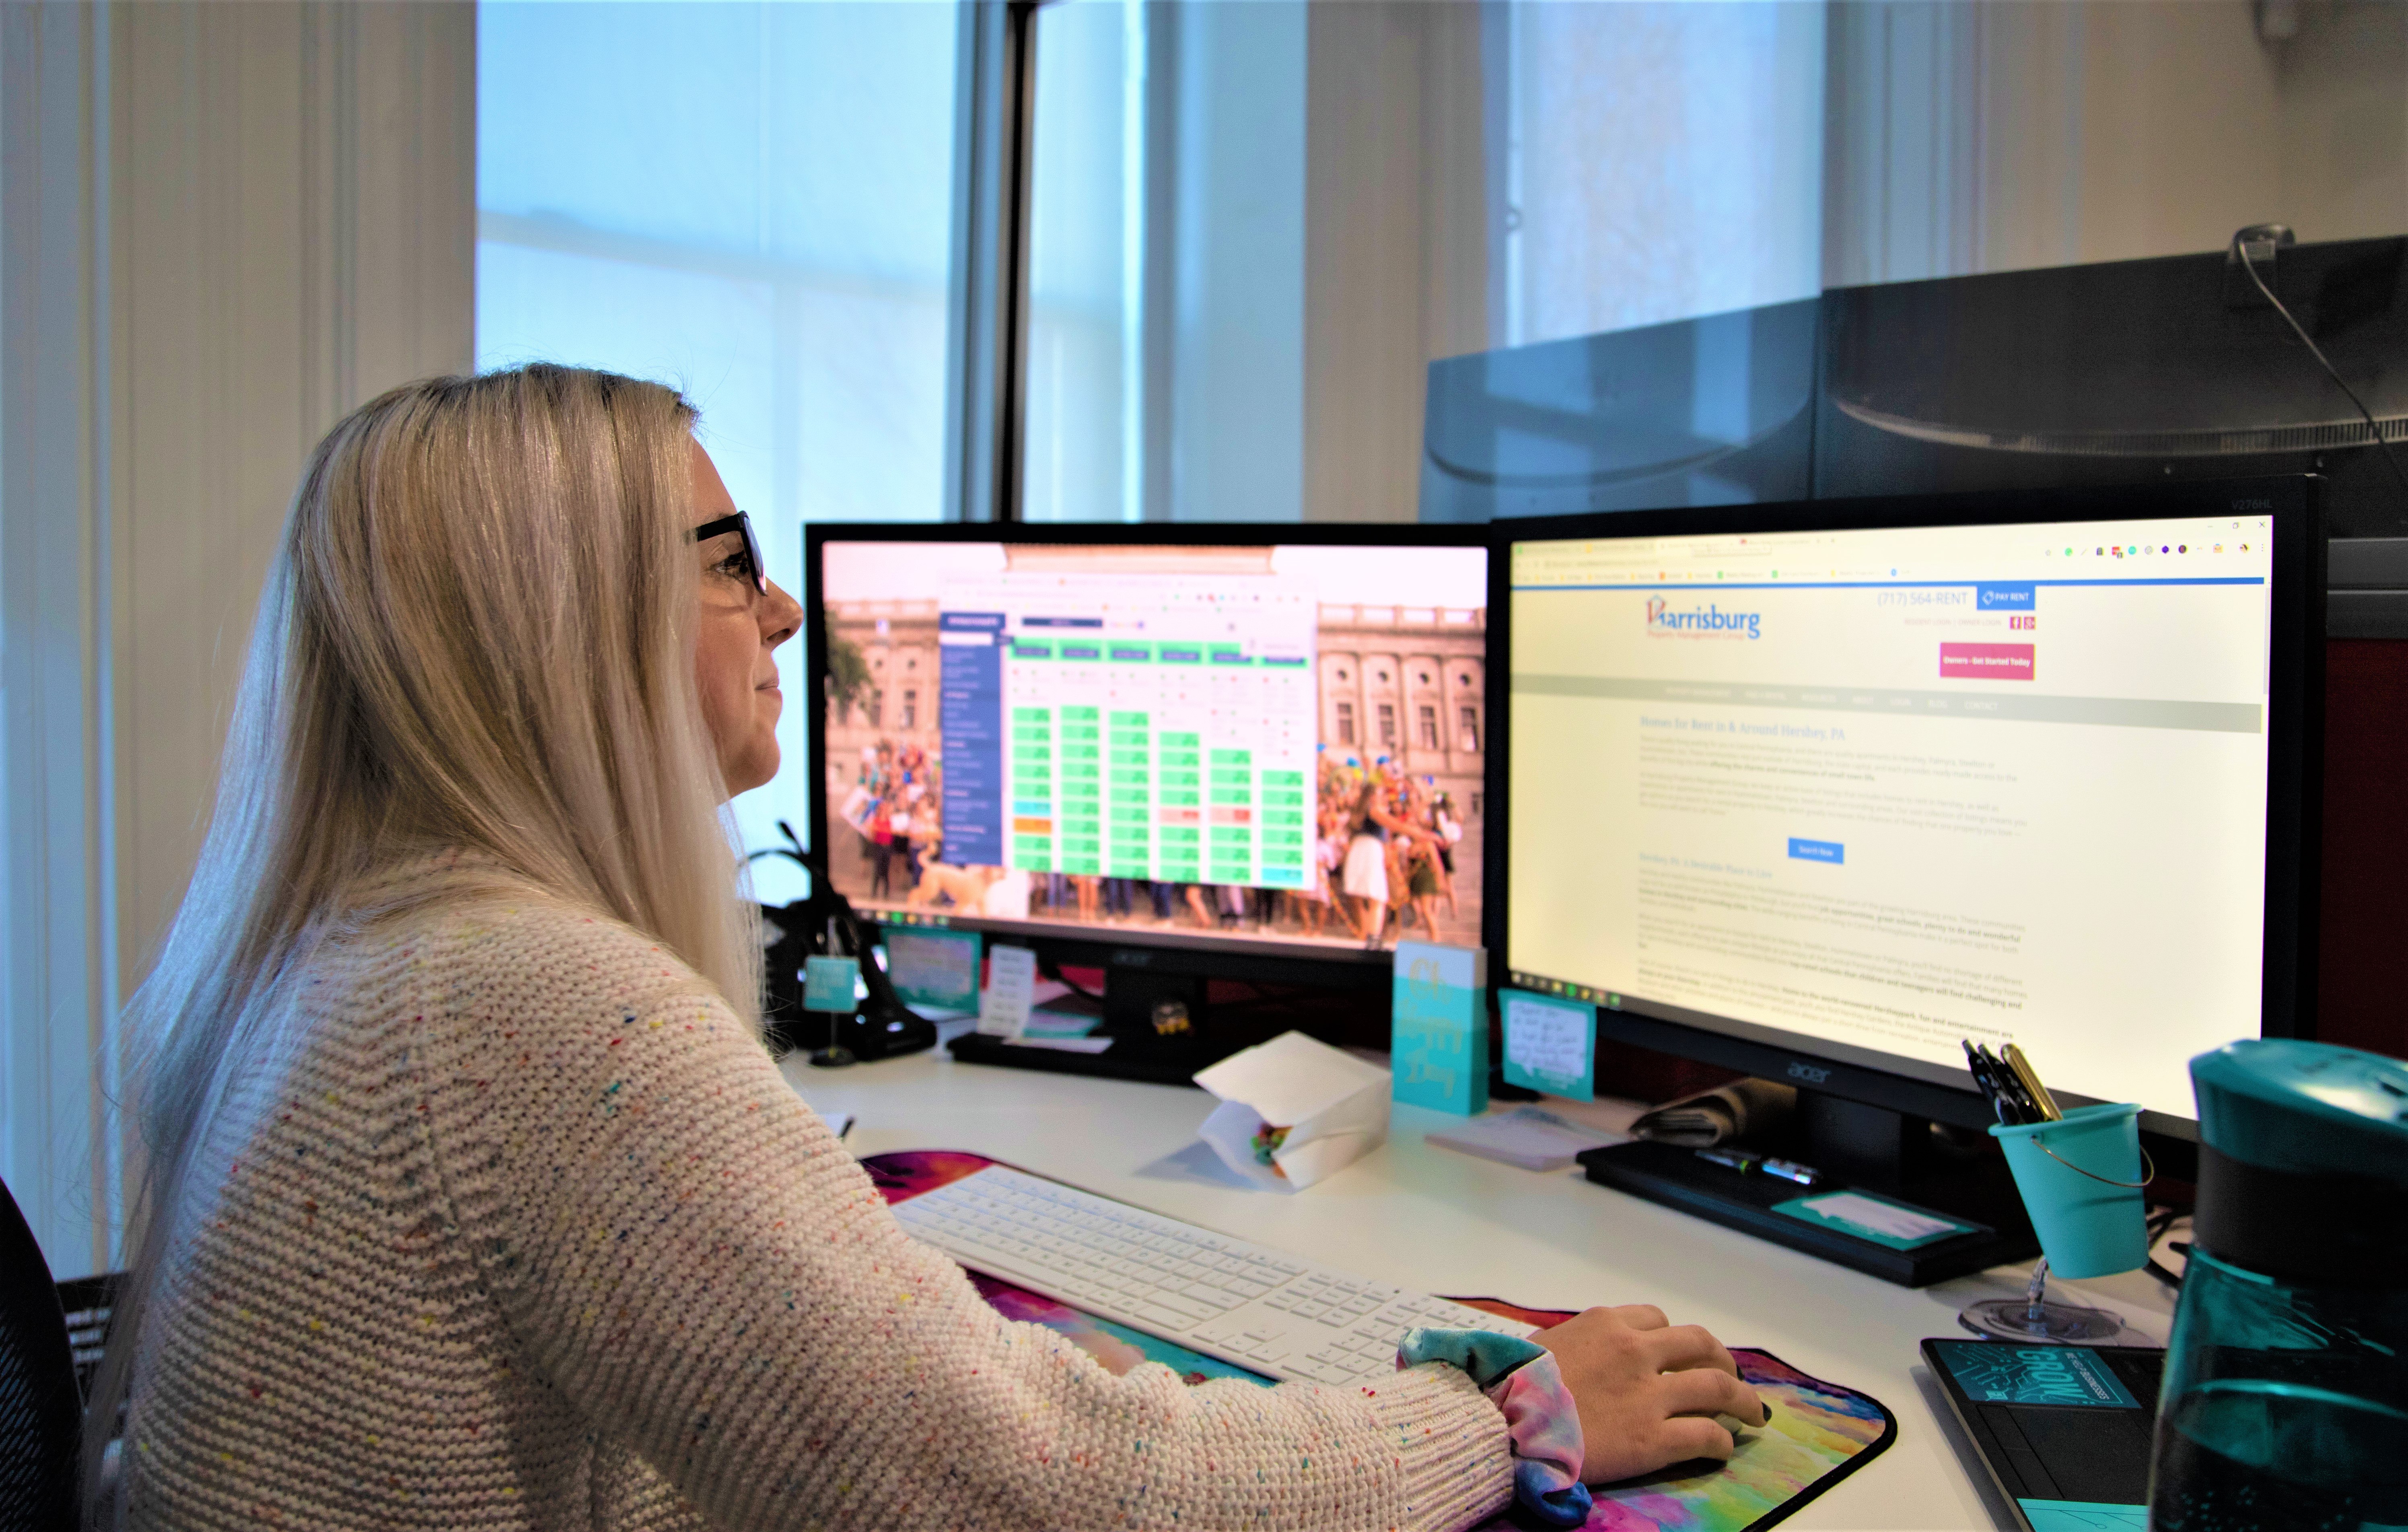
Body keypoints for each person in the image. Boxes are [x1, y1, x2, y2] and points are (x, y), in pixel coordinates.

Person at [92, 365, 1760, 1531]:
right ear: (565, 613)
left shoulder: (361, 945)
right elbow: (1031, 1503)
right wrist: (1496, 1416)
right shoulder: (536, 1011)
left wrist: (937, 1364)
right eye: (732, 560)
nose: (787, 612)